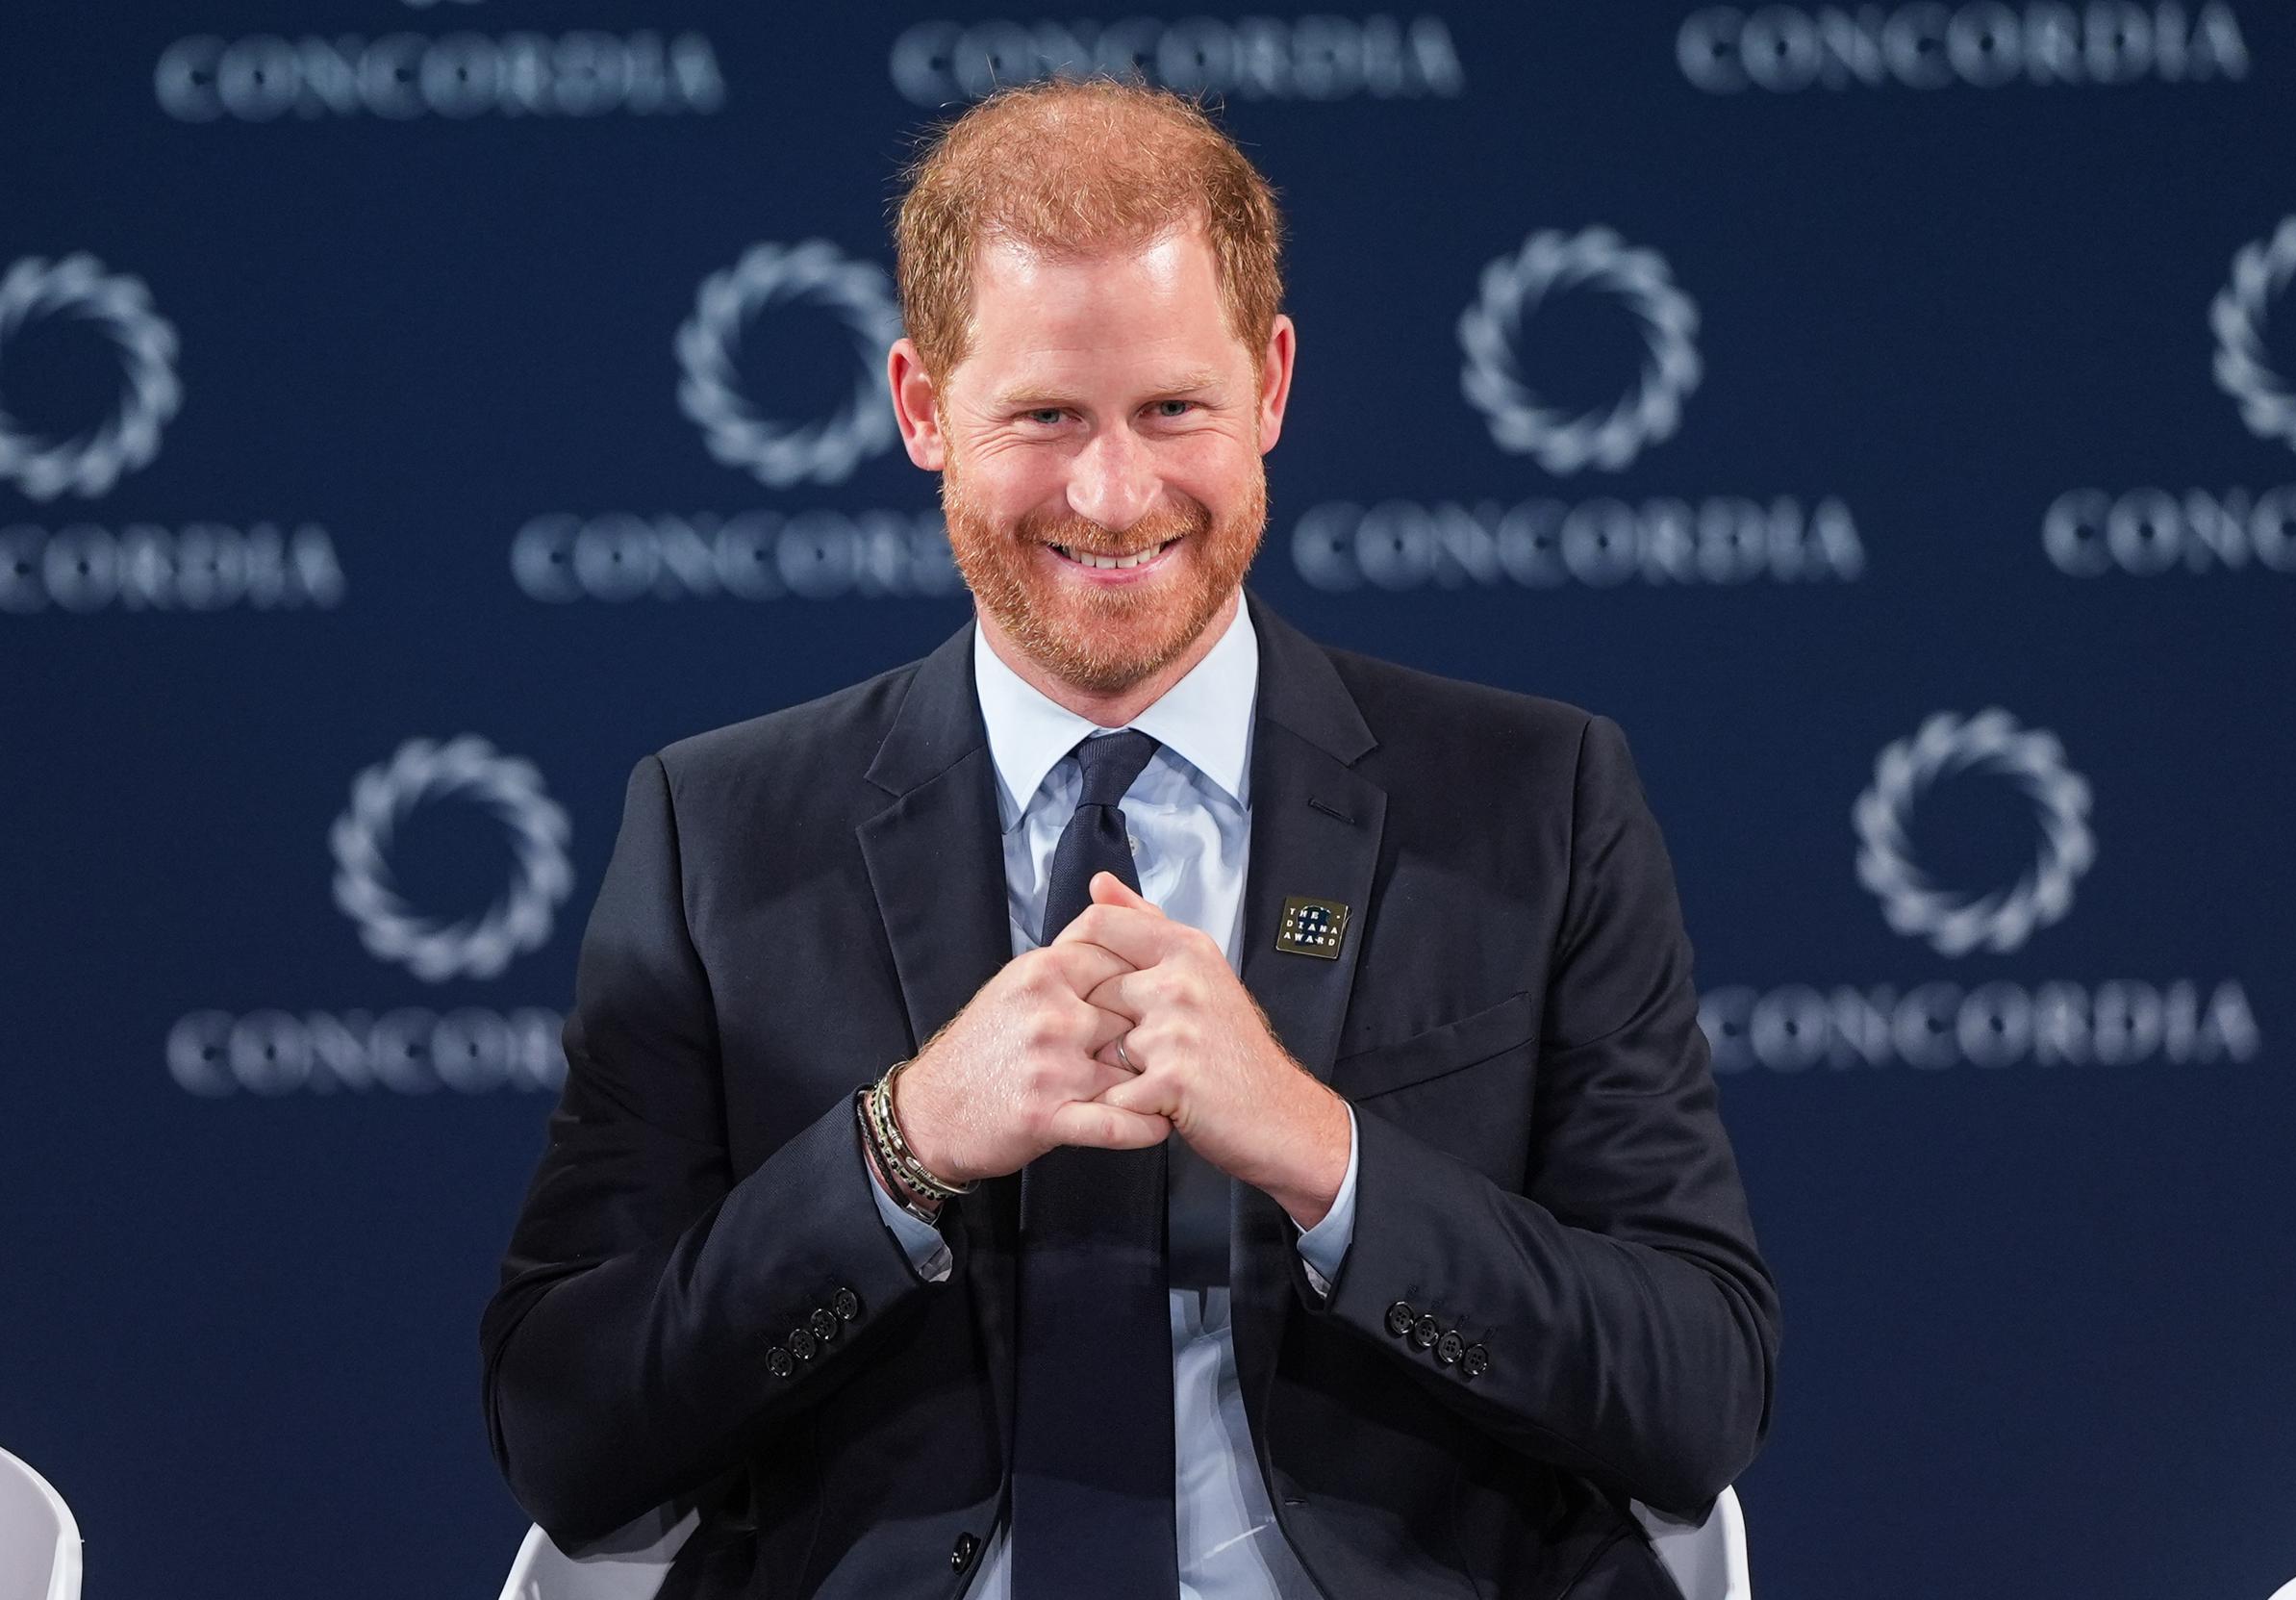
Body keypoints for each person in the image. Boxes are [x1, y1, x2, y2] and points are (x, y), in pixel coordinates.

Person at [481, 77, 1778, 1600]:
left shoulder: (1530, 801)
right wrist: (897, 1150)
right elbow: (566, 1424)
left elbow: (1700, 1389)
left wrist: (1328, 1159)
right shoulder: (721, 835)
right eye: (1044, 416)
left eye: (1174, 409)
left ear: (1274, 385)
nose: (1114, 495)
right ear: (920, 409)